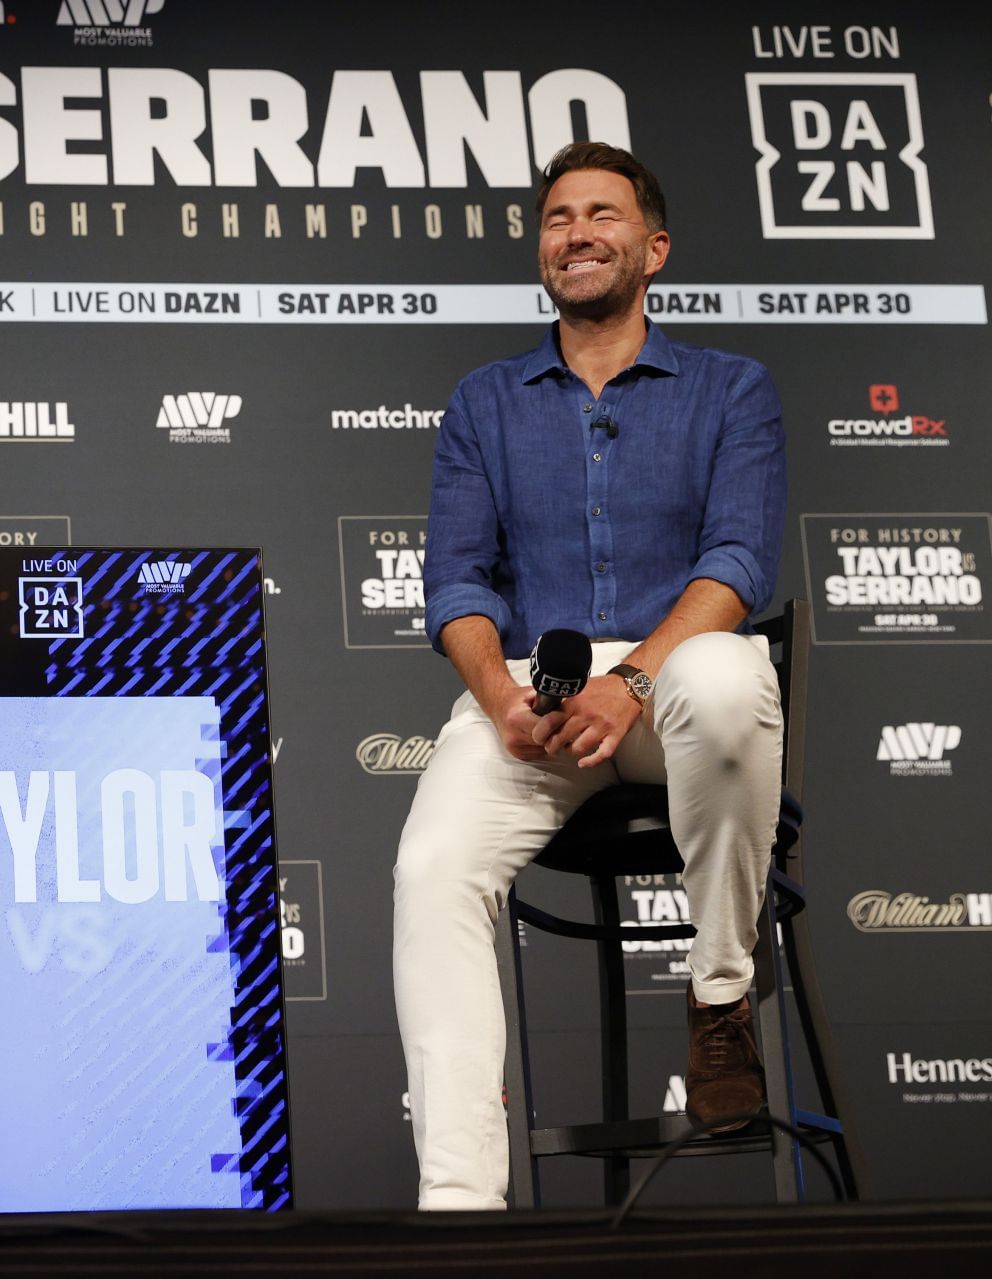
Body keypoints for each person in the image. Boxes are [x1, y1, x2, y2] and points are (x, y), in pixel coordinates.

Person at [393, 142, 786, 1210]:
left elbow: (737, 565)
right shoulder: (485, 401)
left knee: (718, 670)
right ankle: (461, 1202)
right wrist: (501, 701)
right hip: (538, 700)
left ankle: (718, 995)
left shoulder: (730, 388)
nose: (576, 233)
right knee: (431, 865)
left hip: (680, 694)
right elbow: (456, 583)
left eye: (602, 215)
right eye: (558, 217)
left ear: (652, 249)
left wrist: (637, 680)